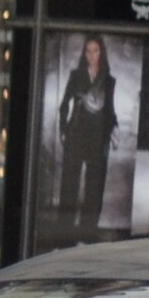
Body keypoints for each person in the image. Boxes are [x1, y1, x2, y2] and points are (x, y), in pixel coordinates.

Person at [56, 33, 116, 234]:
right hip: (76, 133)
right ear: (84, 53)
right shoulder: (76, 75)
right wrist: (63, 129)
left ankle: (87, 231)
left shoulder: (108, 80)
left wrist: (113, 130)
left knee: (94, 186)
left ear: (101, 53)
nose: (92, 55)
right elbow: (64, 104)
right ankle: (65, 232)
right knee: (69, 183)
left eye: (95, 50)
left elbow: (110, 110)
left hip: (97, 137)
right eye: (88, 51)